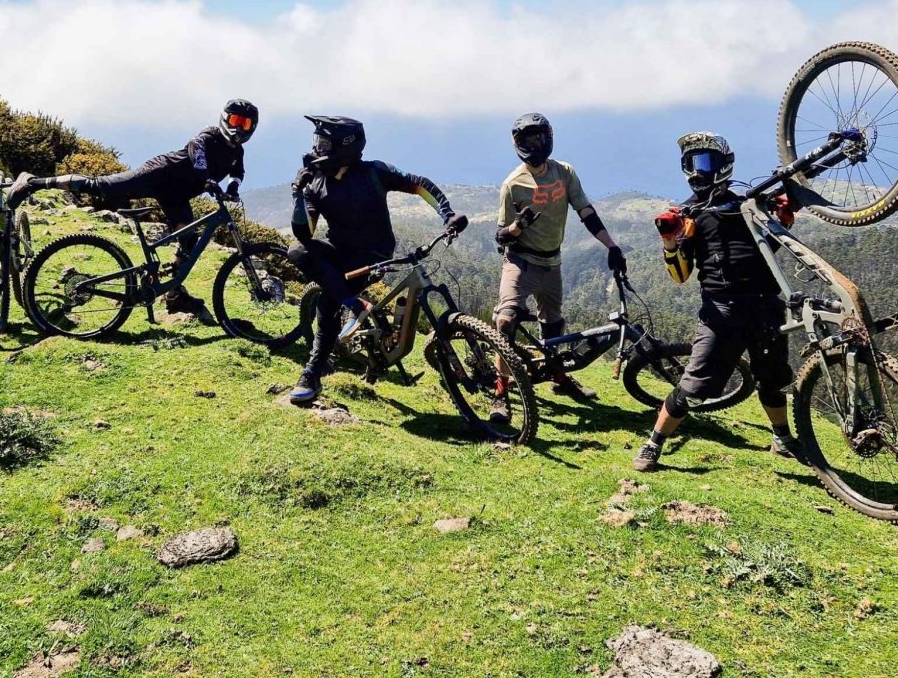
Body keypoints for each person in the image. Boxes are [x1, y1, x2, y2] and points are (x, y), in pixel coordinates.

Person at [631, 131, 804, 472]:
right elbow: (680, 275)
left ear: (724, 165)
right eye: (692, 163)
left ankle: (782, 438)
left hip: (766, 304)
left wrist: (784, 211)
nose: (698, 171)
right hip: (721, 311)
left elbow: (779, 235)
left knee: (771, 379)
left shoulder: (750, 205)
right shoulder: (688, 216)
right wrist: (671, 241)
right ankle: (653, 444)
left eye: (705, 162)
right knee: (694, 388)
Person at [8, 100, 259, 315]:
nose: (238, 127)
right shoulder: (209, 136)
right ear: (225, 118)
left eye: (245, 124)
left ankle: (174, 294)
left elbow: (238, 173)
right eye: (236, 119)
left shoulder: (237, 151)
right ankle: (32, 183)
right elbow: (198, 155)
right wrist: (207, 180)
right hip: (158, 174)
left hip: (177, 194)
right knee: (99, 185)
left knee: (188, 240)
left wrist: (233, 189)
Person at [286, 115, 462, 406]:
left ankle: (315, 367)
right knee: (298, 252)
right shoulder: (315, 183)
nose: (317, 149)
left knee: (329, 302)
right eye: (316, 142)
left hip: (373, 255)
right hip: (340, 250)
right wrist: (297, 195)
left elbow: (418, 184)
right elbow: (306, 232)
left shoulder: (374, 172)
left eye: (324, 143)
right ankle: (346, 318)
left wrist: (448, 214)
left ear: (345, 147)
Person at [493, 113, 625, 417]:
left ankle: (558, 376)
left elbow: (586, 211)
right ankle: (501, 390)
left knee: (553, 325)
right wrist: (517, 228)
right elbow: (500, 237)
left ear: (548, 138)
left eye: (538, 138)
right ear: (517, 144)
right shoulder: (513, 185)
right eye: (527, 140)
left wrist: (612, 245)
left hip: (552, 262)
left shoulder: (564, 173)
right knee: (505, 321)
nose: (534, 145)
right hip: (521, 261)